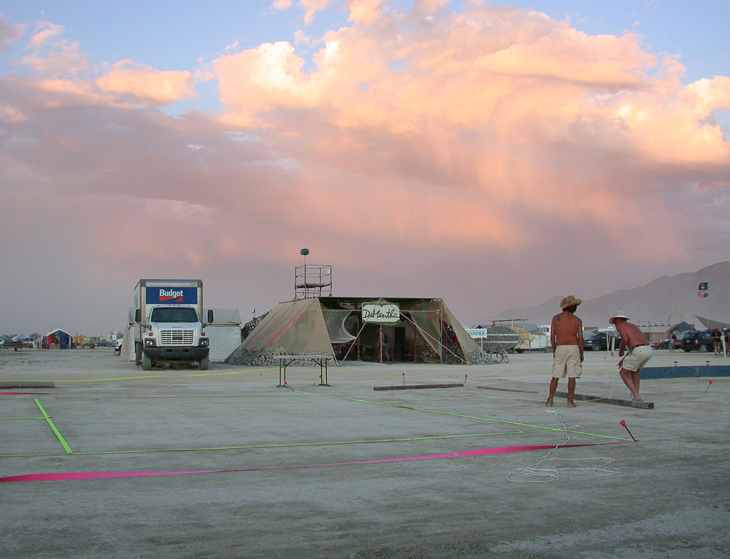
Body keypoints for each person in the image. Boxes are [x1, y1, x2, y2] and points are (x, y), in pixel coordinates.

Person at [546, 295, 584, 408]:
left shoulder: (556, 318)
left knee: (556, 375)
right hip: (573, 347)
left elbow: (552, 336)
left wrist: (554, 350)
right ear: (572, 307)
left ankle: (550, 399)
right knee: (572, 376)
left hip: (560, 347)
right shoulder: (577, 320)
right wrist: (581, 352)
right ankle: (570, 401)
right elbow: (580, 338)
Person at [610, 311, 653, 401]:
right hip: (648, 349)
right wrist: (624, 359)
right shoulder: (633, 326)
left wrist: (621, 350)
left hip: (639, 350)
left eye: (614, 321)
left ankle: (636, 395)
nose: (614, 323)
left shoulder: (620, 326)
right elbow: (634, 347)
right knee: (634, 371)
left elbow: (625, 339)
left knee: (623, 373)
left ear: (618, 320)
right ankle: (636, 395)